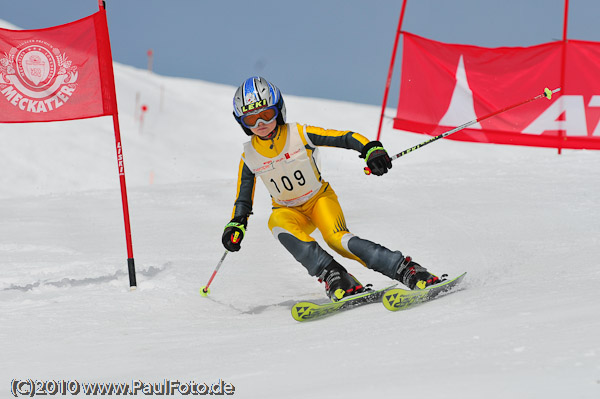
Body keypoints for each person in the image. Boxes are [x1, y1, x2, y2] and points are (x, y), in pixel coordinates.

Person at [222, 76, 441, 301]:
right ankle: (335, 276)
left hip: (319, 200)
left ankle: (407, 269)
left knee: (337, 240)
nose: (260, 124)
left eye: (266, 115)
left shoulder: (299, 133)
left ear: (278, 109)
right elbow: (243, 200)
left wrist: (370, 149)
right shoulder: (249, 157)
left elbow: (344, 138)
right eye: (251, 119)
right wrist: (236, 225)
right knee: (276, 224)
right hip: (288, 210)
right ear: (242, 122)